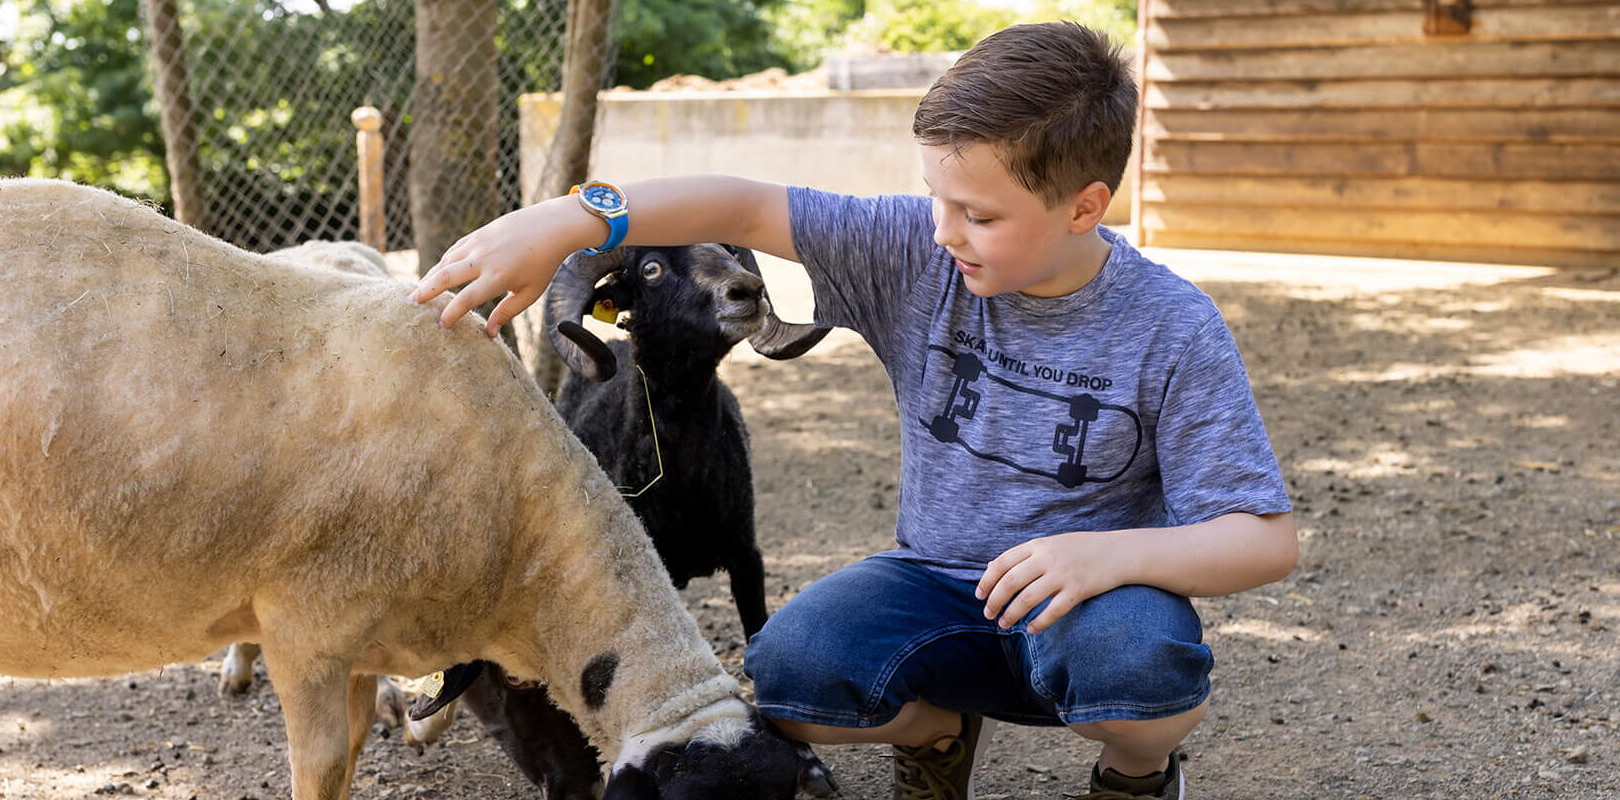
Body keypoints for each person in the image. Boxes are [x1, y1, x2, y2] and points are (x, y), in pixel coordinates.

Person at [409, 21, 1297, 800]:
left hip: (1089, 604)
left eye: (978, 214)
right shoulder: (919, 251)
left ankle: (1136, 775)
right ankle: (936, 735)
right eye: (937, 199)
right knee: (787, 673)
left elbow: (1263, 537)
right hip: (936, 583)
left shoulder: (1173, 326)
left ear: (1086, 207)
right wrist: (572, 221)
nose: (944, 230)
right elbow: (745, 205)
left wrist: (1106, 556)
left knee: (1145, 670)